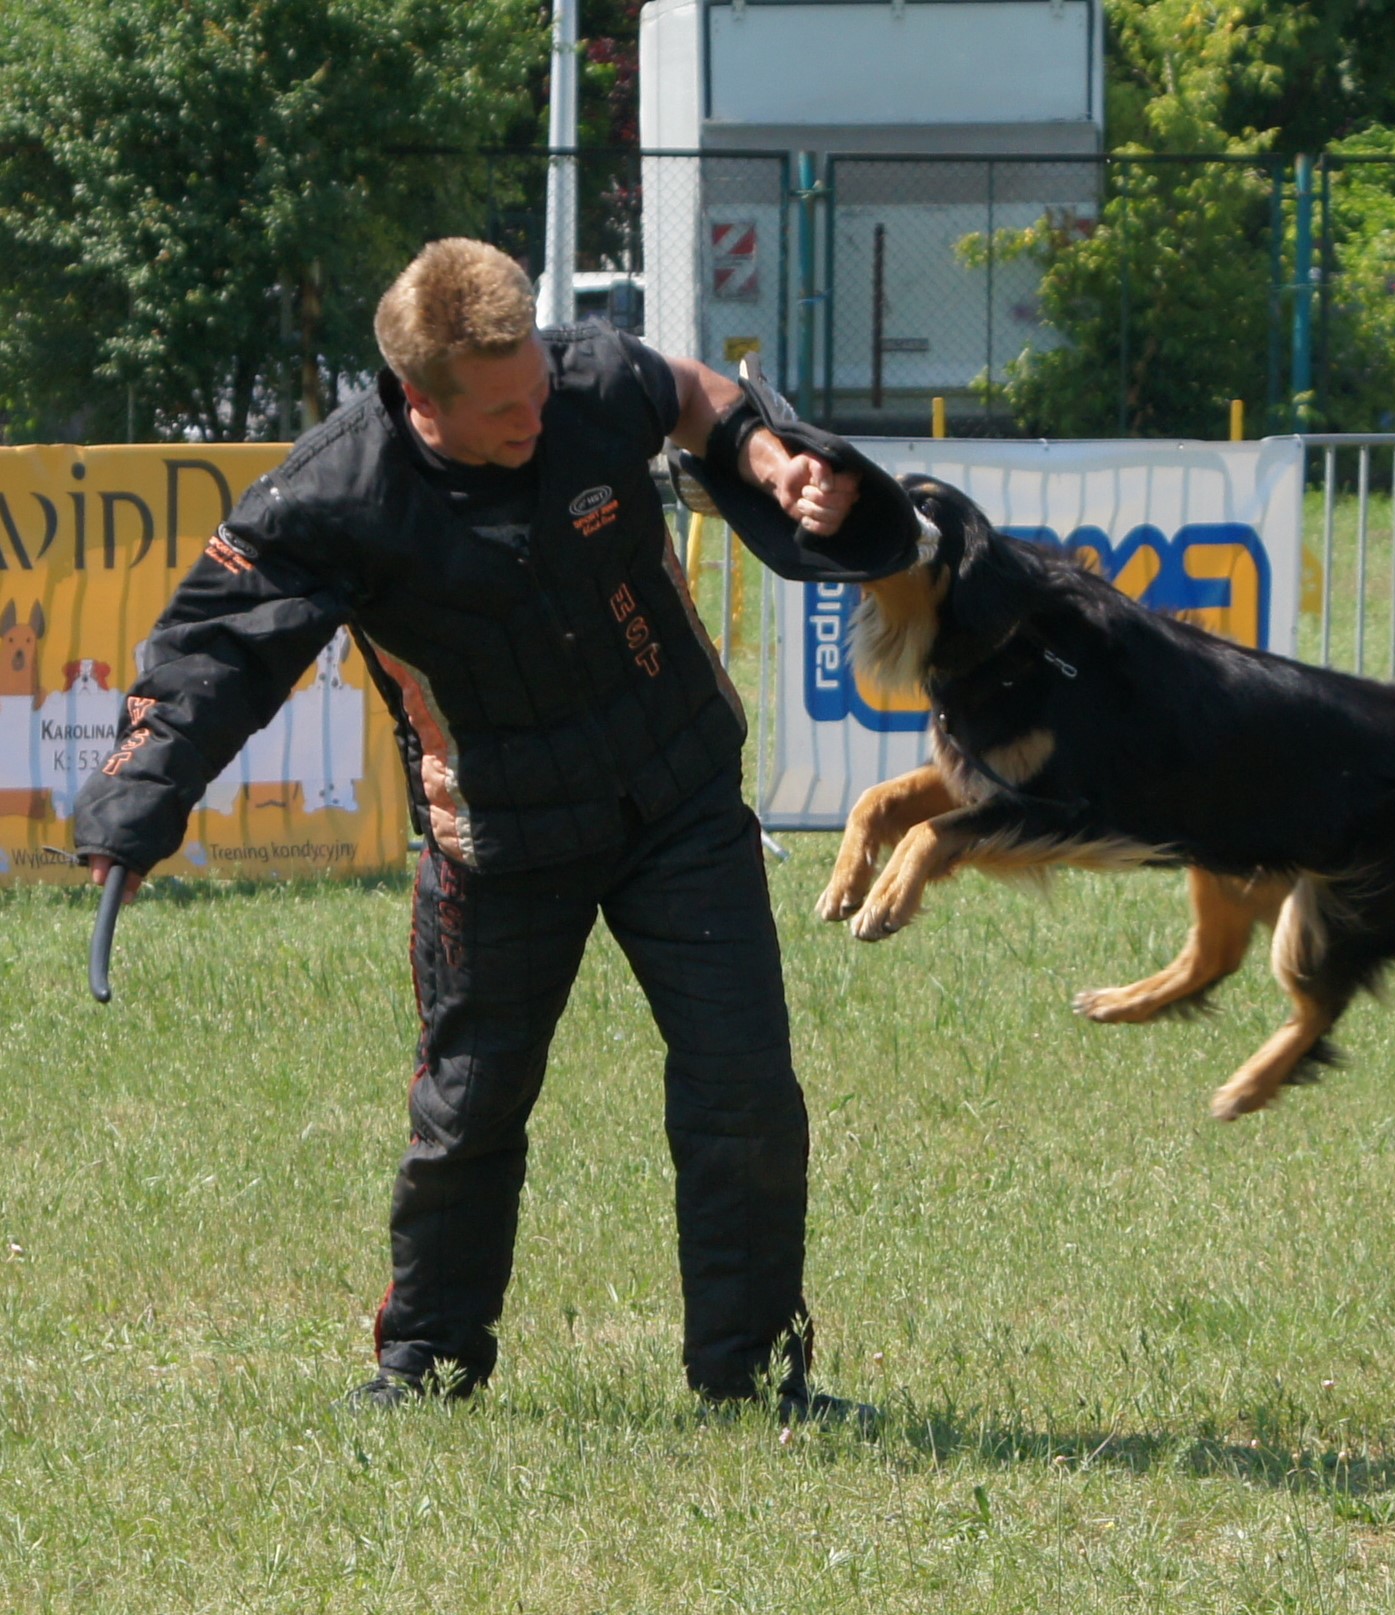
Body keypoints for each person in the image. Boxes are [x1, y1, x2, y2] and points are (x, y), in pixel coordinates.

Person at [72, 237, 874, 1421]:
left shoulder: (583, 377)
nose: (536, 417)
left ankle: (753, 1382)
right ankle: (428, 1368)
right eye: (502, 408)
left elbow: (692, 393)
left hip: (678, 793)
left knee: (744, 1090)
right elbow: (212, 656)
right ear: (417, 399)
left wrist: (763, 448)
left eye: (539, 389)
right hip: (494, 836)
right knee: (468, 1109)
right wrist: (138, 808)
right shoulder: (337, 494)